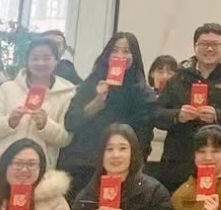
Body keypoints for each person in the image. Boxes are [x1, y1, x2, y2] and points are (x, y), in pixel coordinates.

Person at [151, 24, 221, 192]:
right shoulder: (178, 78)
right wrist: (178, 115)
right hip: (179, 163)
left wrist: (218, 115)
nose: (209, 49)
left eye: (215, 44)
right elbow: (156, 114)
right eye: (204, 44)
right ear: (195, 46)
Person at [62, 32, 157, 197]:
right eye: (115, 50)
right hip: (85, 165)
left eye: (126, 51)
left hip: (122, 169)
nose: (120, 56)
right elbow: (70, 122)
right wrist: (96, 103)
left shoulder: (143, 93)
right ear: (107, 55)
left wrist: (135, 169)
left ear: (134, 57)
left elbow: (144, 138)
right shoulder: (92, 84)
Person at [0, 38, 75, 188]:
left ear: (56, 61)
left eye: (46, 58)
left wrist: (45, 125)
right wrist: (9, 122)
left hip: (38, 169)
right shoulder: (8, 88)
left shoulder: (66, 93)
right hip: (1, 165)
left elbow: (65, 139)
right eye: (35, 58)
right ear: (27, 61)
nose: (40, 63)